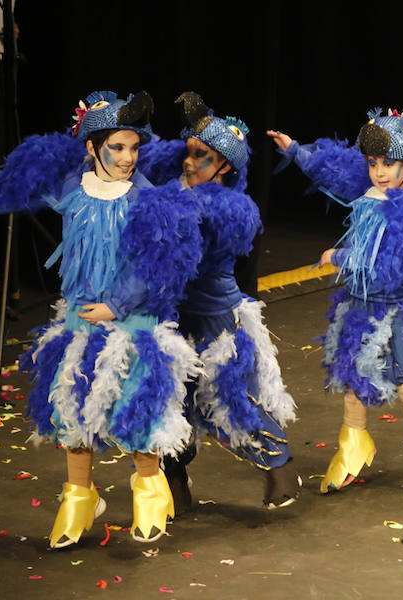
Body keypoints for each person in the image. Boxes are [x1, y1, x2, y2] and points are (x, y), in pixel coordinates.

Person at [0, 90, 203, 547]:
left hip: (131, 323)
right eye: (117, 147)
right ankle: (80, 497)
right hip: (81, 320)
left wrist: (117, 305)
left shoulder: (148, 199)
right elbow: (15, 190)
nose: (127, 157)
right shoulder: (71, 187)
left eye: (134, 147)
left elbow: (157, 264)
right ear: (92, 147)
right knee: (75, 412)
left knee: (137, 410)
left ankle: (150, 493)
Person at [268, 109, 403, 492]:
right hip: (360, 305)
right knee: (354, 377)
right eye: (373, 163)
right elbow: (334, 171)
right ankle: (353, 444)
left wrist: (338, 257)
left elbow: (390, 266)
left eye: (388, 163)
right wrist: (295, 150)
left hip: (399, 306)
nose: (379, 172)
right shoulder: (370, 192)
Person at [136, 92, 299, 513]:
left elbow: (192, 228)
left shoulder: (233, 208)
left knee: (233, 397)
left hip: (215, 317)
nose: (189, 162)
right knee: (171, 401)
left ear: (225, 166)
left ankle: (280, 467)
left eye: (202, 156)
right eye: (189, 152)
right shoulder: (175, 188)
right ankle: (174, 482)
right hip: (171, 316)